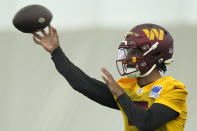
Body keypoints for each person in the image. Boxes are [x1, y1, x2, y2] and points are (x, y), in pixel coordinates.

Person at [33, 24, 187, 131]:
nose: (127, 57)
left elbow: (146, 123)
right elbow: (83, 84)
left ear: (154, 54)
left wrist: (120, 95)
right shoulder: (128, 86)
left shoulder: (174, 89)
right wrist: (56, 52)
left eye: (134, 52)